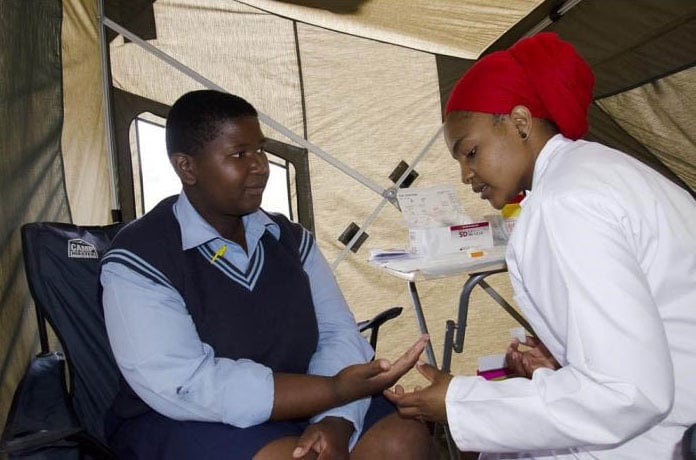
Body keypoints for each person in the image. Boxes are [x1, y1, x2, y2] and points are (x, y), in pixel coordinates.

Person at [384, 32, 696, 458]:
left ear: (519, 122)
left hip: (669, 431)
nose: (466, 175)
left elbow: (627, 393)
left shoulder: (566, 202)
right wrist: (564, 361)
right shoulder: (594, 170)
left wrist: (459, 402)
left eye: (471, 152)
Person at [100, 89, 438, 459]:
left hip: (310, 398)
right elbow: (185, 384)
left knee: (404, 439)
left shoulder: (291, 241)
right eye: (239, 154)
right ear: (188, 167)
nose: (260, 165)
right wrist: (332, 392)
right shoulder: (140, 259)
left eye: (260, 149)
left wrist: (336, 418)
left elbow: (338, 333)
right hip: (187, 417)